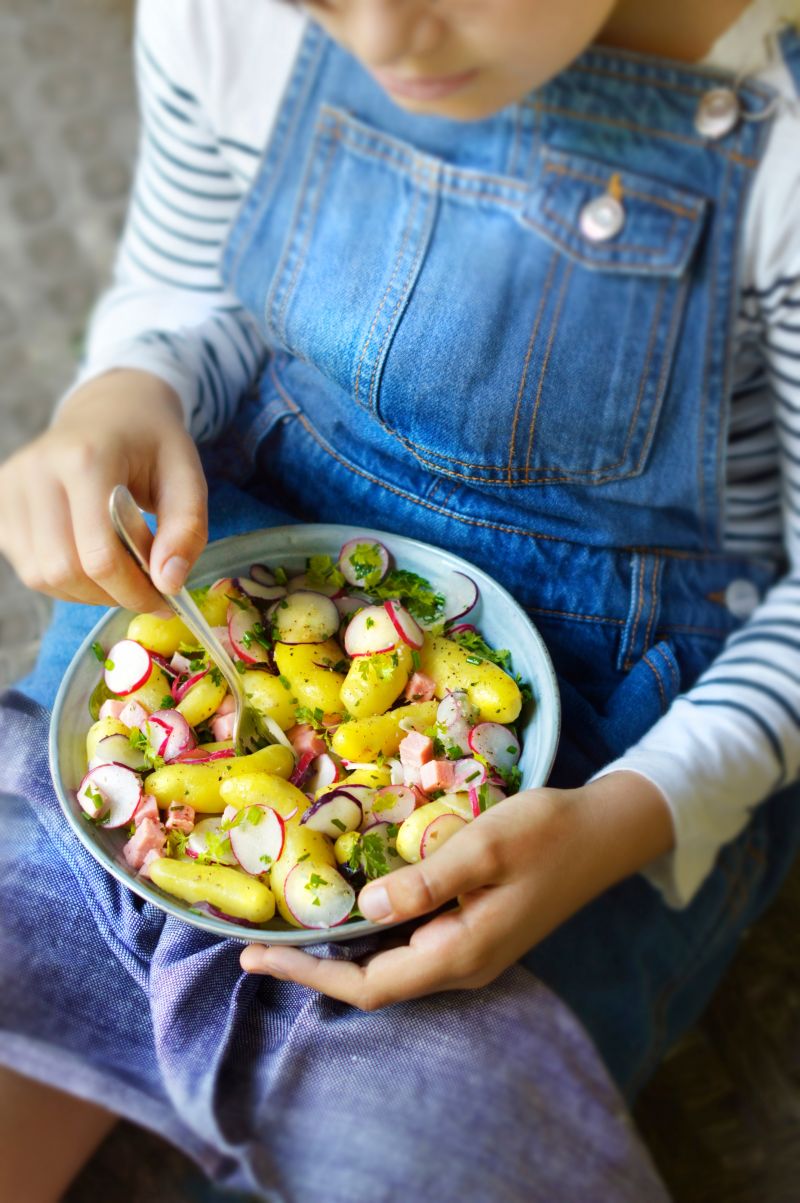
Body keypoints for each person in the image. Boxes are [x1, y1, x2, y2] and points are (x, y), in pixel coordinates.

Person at [1, 0, 799, 1198]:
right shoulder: (224, 19)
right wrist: (126, 386)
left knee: (435, 1139)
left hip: (612, 734)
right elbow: (188, 287)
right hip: (233, 570)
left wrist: (628, 818)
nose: (378, 42)